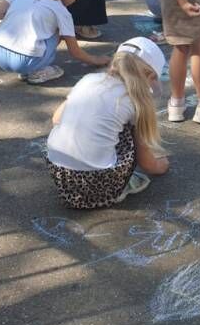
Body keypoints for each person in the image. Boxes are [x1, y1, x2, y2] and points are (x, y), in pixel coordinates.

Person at [46, 37, 170, 209]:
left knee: (107, 123)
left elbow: (56, 118)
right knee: (130, 131)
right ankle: (120, 186)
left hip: (60, 176)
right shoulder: (135, 100)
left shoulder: (89, 79)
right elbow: (147, 164)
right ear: (150, 76)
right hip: (99, 186)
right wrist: (160, 165)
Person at [0, 0, 110, 84]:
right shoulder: (62, 12)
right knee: (59, 31)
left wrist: (17, 19)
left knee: (26, 27)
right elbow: (75, 51)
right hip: (25, 61)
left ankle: (28, 67)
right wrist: (95, 59)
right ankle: (38, 71)